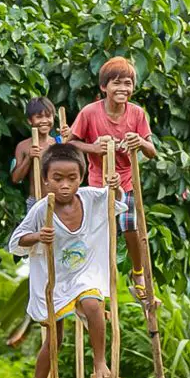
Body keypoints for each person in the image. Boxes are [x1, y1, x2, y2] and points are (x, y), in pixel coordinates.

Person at [9, 143, 124, 378]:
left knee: (94, 304)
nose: (64, 185)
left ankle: (99, 362)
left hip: (84, 275)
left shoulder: (92, 197)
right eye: (57, 179)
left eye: (72, 178)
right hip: (55, 282)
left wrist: (115, 185)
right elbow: (15, 242)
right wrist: (38, 236)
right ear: (46, 180)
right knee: (55, 339)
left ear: (81, 178)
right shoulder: (41, 209)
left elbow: (115, 201)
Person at [68, 57, 157, 302]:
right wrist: (94, 148)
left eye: (127, 84)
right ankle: (91, 282)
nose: (122, 89)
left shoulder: (137, 114)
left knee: (131, 226)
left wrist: (141, 143)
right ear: (104, 87)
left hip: (126, 183)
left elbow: (152, 150)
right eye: (116, 83)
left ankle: (138, 273)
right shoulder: (89, 113)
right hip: (98, 184)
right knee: (97, 235)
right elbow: (71, 142)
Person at [11, 96, 71, 211]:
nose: (44, 121)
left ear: (53, 118)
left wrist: (69, 136)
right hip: (36, 202)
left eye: (48, 116)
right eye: (39, 117)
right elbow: (16, 179)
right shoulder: (23, 146)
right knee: (38, 230)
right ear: (30, 120)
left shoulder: (60, 142)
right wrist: (29, 158)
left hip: (59, 200)